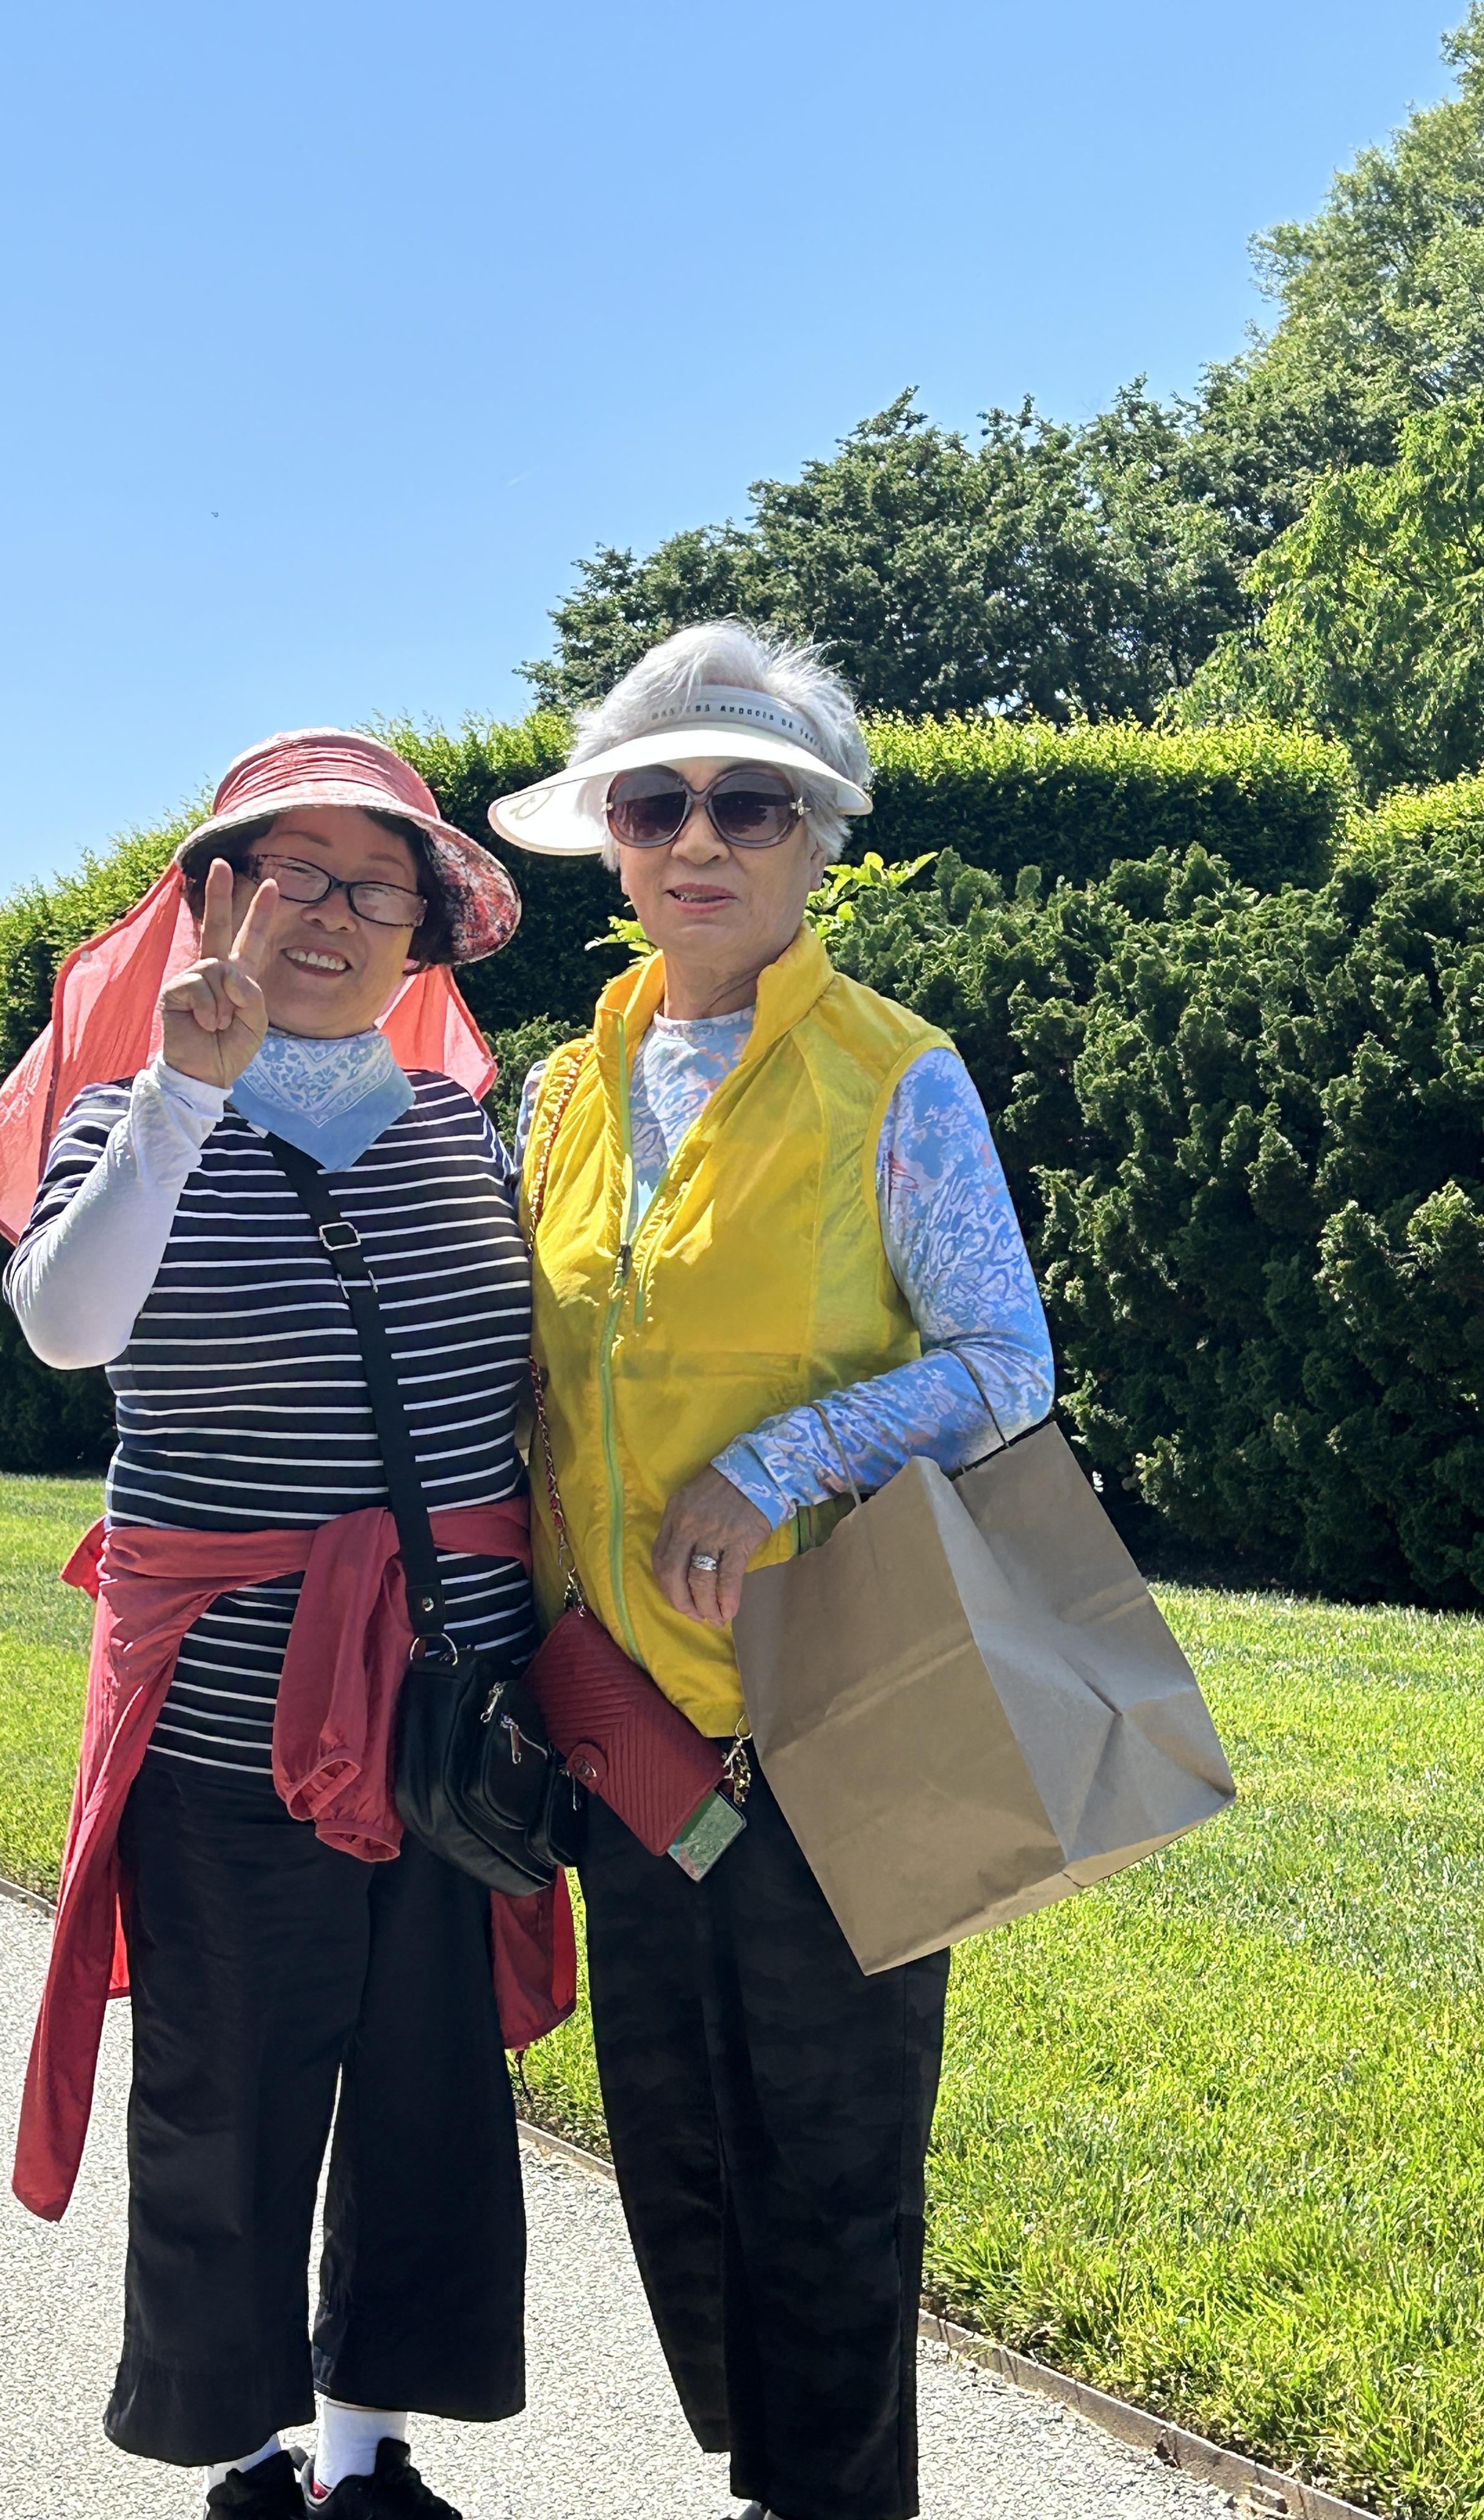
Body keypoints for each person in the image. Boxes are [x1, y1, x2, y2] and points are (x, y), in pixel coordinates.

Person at [490, 622, 1055, 2520]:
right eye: (654, 805)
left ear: (817, 836)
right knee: (677, 2147)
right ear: (610, 842)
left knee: (832, 2162)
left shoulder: (898, 1079)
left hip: (839, 1700)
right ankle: (772, 2483)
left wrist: (780, 1456)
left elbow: (1007, 1366)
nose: (698, 840)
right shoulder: (562, 1097)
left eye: (749, 803)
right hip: (627, 1718)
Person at [5, 730, 535, 2520]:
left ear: (422, 936)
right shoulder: (127, 1116)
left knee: (426, 2094)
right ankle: (244, 2454)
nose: (330, 914)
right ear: (215, 902)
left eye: (375, 886)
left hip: (449, 1718)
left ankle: (375, 2451)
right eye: (289, 873)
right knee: (225, 2091)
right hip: (229, 1725)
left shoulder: (467, 1135)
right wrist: (184, 1091)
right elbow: (67, 1325)